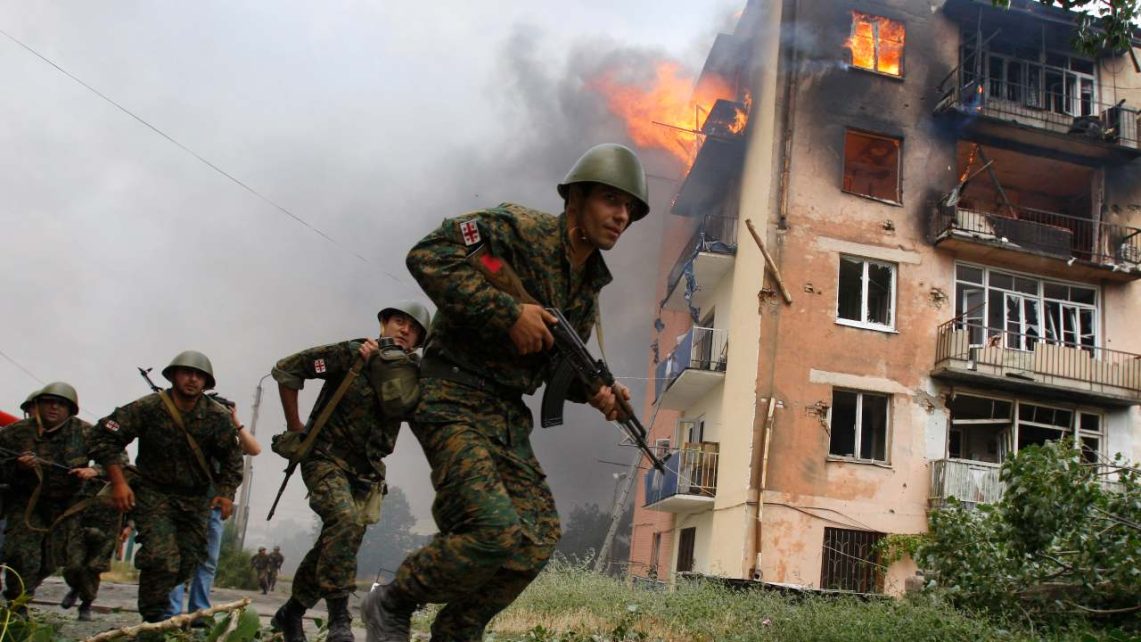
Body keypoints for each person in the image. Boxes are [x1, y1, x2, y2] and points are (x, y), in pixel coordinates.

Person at [360, 143, 649, 642]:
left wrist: (598, 390)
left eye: (630, 208)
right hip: (451, 393)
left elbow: (556, 364)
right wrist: (507, 313)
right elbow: (427, 255)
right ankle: (393, 599)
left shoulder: (589, 286)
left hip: (505, 414)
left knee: (537, 538)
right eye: (609, 200)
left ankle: (459, 628)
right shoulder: (518, 228)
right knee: (491, 528)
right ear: (575, 199)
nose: (621, 215)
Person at [270, 301, 429, 642]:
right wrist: (296, 428)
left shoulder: (412, 378)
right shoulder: (353, 354)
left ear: (418, 342)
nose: (405, 330)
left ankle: (292, 612)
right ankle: (339, 620)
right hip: (325, 459)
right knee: (344, 521)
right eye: (399, 321)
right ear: (384, 323)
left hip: (366, 474)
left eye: (413, 328)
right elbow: (287, 370)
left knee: (337, 542)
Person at [89, 350, 244, 629]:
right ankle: (154, 618)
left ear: (206, 383)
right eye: (186, 372)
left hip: (196, 499)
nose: (192, 379)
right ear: (173, 375)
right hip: (153, 493)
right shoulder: (148, 407)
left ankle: (155, 596)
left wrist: (226, 494)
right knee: (162, 559)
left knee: (188, 561)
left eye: (199, 375)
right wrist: (120, 482)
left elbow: (232, 458)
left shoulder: (217, 417)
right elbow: (104, 437)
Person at [0, 383, 104, 615]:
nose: (54, 407)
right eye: (49, 402)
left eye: (61, 404)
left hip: (67, 507)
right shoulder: (15, 433)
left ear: (70, 410)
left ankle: (32, 593)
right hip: (27, 504)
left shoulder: (86, 432)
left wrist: (95, 470)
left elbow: (115, 457)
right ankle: (16, 610)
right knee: (21, 556)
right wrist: (17, 467)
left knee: (55, 560)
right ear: (38, 405)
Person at [165, 415, 260, 623]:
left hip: (212, 507)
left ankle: (200, 613)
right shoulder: (190, 428)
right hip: (183, 503)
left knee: (207, 562)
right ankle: (171, 615)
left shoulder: (226, 438)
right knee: (176, 558)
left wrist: (236, 420)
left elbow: (254, 449)